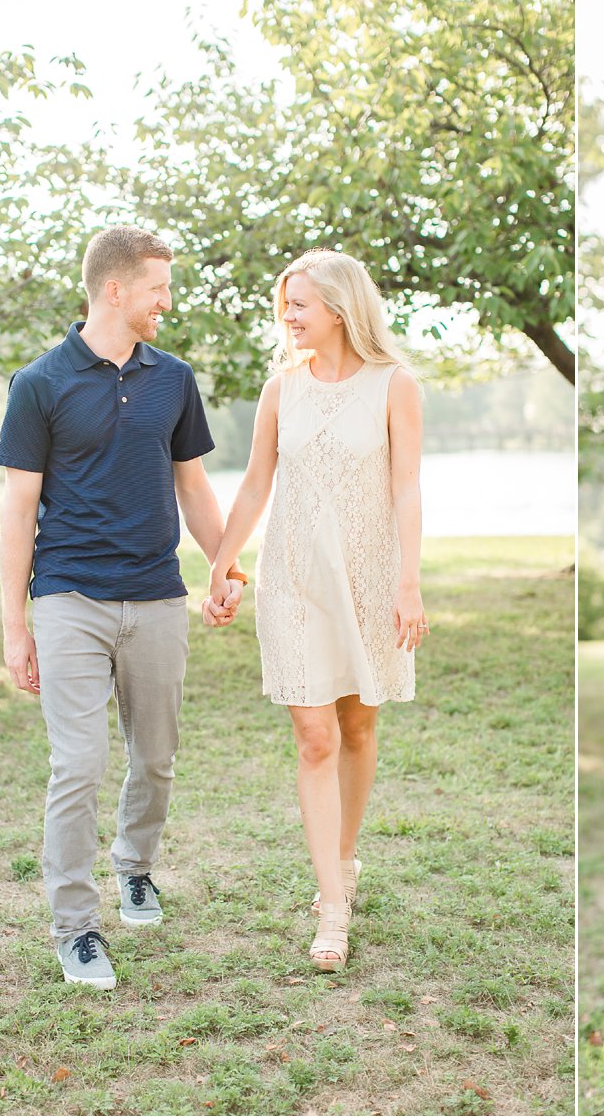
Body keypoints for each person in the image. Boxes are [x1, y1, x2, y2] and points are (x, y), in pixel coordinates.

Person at [0, 225, 243, 991]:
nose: (167, 301)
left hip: (159, 595)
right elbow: (18, 508)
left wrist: (225, 565)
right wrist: (14, 626)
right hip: (69, 596)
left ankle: (135, 868)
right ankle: (75, 927)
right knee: (78, 763)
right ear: (115, 289)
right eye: (158, 288)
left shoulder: (174, 377)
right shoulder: (39, 383)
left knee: (156, 757)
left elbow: (193, 486)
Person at [205, 248, 425, 973]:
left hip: (367, 578)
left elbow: (406, 492)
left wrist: (409, 583)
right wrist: (219, 562)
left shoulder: (396, 385)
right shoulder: (281, 388)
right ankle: (332, 906)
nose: (288, 316)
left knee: (359, 724)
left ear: (340, 306)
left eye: (300, 303)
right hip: (293, 579)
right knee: (315, 736)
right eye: (286, 304)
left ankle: (345, 858)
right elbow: (254, 485)